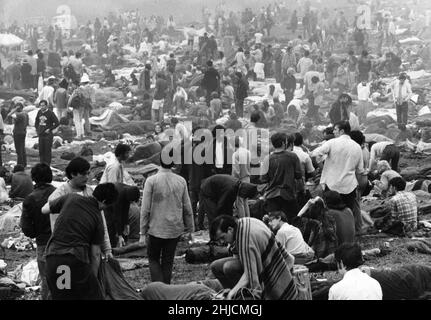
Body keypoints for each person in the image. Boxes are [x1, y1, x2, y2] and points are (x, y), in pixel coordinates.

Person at [45, 183, 119, 300]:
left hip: (52, 258)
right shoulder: (97, 219)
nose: (105, 208)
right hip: (73, 261)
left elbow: (44, 210)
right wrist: (92, 279)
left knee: (63, 295)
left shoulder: (71, 198)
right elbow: (95, 255)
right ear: (104, 201)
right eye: (107, 205)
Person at [210, 215, 298, 300]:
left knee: (228, 267)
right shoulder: (240, 223)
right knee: (215, 266)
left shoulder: (246, 239)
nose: (222, 242)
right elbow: (239, 255)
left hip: (270, 264)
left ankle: (244, 295)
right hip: (259, 258)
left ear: (230, 229)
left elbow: (249, 275)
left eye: (222, 237)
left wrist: (232, 293)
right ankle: (233, 294)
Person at [139, 153, 194, 284]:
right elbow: (187, 208)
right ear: (173, 163)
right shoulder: (181, 181)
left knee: (153, 259)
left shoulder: (151, 181)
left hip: (156, 228)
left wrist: (142, 232)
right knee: (168, 261)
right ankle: (166, 290)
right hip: (174, 229)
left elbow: (145, 209)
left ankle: (159, 291)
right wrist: (191, 230)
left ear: (160, 162)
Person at [313, 121, 366, 232]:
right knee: (348, 212)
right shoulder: (357, 147)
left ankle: (334, 235)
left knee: (330, 213)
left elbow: (316, 153)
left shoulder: (332, 142)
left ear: (342, 131)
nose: (333, 131)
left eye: (335, 129)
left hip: (332, 185)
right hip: (349, 186)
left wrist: (321, 162)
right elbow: (360, 170)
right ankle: (349, 234)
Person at [20, 163, 56, 300]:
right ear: (50, 177)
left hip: (43, 243)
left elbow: (27, 228)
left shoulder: (30, 199)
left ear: (34, 178)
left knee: (46, 277)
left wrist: (36, 232)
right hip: (63, 242)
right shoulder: (60, 193)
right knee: (63, 275)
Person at [261, 133, 302, 222]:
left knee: (273, 223)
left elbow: (263, 179)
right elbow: (299, 176)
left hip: (271, 196)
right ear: (284, 143)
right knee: (290, 221)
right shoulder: (292, 157)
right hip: (288, 195)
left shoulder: (267, 159)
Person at [103, 183, 140, 248]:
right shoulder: (118, 196)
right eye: (131, 201)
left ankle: (123, 244)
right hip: (107, 206)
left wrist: (126, 224)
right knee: (111, 226)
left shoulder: (130, 191)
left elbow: (126, 210)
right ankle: (112, 248)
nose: (132, 203)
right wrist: (119, 235)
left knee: (123, 227)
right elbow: (117, 216)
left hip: (116, 201)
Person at [34, 100, 59, 165]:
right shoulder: (39, 112)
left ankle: (47, 164)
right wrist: (37, 129)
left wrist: (50, 129)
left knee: (47, 150)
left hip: (48, 135)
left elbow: (57, 123)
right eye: (41, 106)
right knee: (41, 150)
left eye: (43, 105)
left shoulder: (50, 113)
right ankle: (41, 164)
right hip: (41, 134)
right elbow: (36, 121)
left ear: (46, 106)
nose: (42, 107)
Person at [232, 136, 251, 218]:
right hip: (248, 178)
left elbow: (236, 171)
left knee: (239, 203)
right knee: (245, 201)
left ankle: (243, 221)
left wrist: (233, 181)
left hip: (240, 180)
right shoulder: (247, 152)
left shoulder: (235, 154)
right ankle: (248, 219)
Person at [7, 102, 28, 167]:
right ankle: (24, 163)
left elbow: (9, 115)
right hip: (23, 132)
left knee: (19, 150)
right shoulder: (25, 114)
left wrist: (15, 109)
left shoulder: (18, 114)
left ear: (18, 108)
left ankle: (20, 164)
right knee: (22, 148)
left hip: (18, 133)